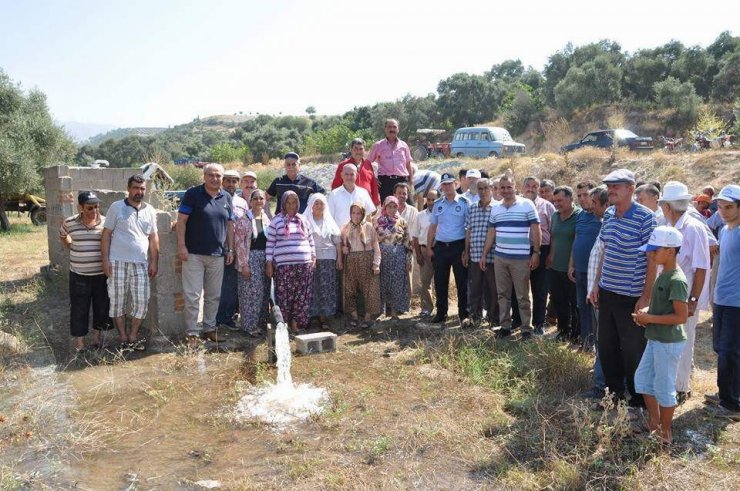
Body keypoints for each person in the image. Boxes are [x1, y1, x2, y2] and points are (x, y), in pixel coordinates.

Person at [588, 169, 656, 408]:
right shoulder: (608, 215)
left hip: (631, 297)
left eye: (617, 185)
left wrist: (645, 296)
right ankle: (614, 396)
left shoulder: (646, 217)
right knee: (607, 348)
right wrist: (596, 284)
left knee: (632, 350)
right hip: (607, 292)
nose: (611, 190)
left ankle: (638, 401)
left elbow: (652, 260)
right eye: (609, 186)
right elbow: (605, 251)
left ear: (631, 188)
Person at [632, 226, 689, 444]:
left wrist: (651, 319)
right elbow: (662, 307)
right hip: (656, 337)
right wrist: (647, 313)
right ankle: (654, 424)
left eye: (655, 250)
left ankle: (665, 433)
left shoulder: (676, 279)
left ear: (671, 251)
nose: (651, 254)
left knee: (664, 388)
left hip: (668, 341)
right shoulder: (663, 273)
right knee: (643, 380)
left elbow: (681, 317)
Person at [659, 181, 710, 404]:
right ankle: (671, 383)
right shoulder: (669, 225)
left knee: (683, 341)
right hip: (668, 292)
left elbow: (701, 267)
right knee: (669, 341)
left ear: (668, 206)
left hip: (686, 294)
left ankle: (681, 387)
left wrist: (693, 300)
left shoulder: (693, 227)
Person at [177, 163, 235, 347]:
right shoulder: (192, 194)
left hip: (217, 255)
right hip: (193, 254)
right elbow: (181, 222)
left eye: (218, 176)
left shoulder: (226, 197)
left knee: (213, 295)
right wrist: (181, 246)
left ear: (222, 178)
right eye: (211, 175)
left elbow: (230, 226)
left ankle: (209, 328)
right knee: (193, 296)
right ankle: (192, 333)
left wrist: (230, 249)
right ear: (204, 176)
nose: (214, 178)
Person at [101, 174, 159, 350]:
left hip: (141, 264)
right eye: (135, 188)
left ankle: (133, 336)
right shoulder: (116, 207)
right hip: (117, 262)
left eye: (142, 188)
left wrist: (154, 261)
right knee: (117, 301)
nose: (139, 192)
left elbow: (154, 237)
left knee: (142, 301)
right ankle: (123, 336)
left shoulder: (150, 210)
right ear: (128, 188)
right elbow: (106, 235)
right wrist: (105, 261)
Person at [481, 174, 541, 339]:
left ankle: (526, 329)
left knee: (522, 295)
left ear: (515, 187)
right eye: (503, 187)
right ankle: (505, 326)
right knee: (503, 295)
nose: (506, 190)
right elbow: (491, 232)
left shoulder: (526, 204)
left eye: (509, 187)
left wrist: (536, 252)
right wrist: (484, 254)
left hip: (521, 259)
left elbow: (536, 229)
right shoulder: (496, 208)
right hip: (500, 258)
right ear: (499, 189)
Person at [59, 191, 112, 351]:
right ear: (80, 207)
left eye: (96, 207)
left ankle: (96, 338)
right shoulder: (69, 222)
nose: (94, 211)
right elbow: (63, 235)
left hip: (101, 275)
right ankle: (80, 344)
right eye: (89, 208)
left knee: (101, 307)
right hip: (78, 275)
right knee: (79, 308)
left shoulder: (106, 223)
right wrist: (71, 245)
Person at [704, 184, 740, 419]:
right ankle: (725, 392)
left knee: (730, 351)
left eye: (729, 207)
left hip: (737, 303)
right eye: (720, 206)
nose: (723, 211)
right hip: (722, 299)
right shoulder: (725, 231)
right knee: (720, 348)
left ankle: (732, 404)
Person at [265, 191, 316, 334]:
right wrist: (269, 263)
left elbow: (310, 240)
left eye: (294, 202)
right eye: (288, 202)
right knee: (284, 295)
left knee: (302, 295)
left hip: (304, 264)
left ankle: (295, 324)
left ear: (298, 204)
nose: (291, 205)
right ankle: (284, 324)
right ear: (283, 203)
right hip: (284, 266)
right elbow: (270, 243)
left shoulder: (303, 220)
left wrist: (313, 257)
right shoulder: (276, 221)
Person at [425, 173, 471, 324]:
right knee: (440, 281)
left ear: (456, 184)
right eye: (443, 184)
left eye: (449, 183)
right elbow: (432, 227)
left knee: (461, 282)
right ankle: (441, 313)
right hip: (441, 248)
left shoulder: (465, 202)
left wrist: (466, 250)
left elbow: (468, 229)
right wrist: (429, 247)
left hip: (458, 247)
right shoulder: (438, 204)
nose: (446, 187)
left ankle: (463, 314)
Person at [569, 181, 601, 350]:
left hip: (595, 273)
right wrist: (571, 264)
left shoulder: (603, 216)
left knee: (596, 310)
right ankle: (586, 342)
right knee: (582, 307)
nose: (582, 199)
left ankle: (597, 345)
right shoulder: (580, 215)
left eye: (586, 195)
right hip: (579, 270)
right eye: (579, 195)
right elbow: (576, 240)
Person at [234, 189, 271, 337]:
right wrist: (244, 264)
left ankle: (261, 323)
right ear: (250, 201)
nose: (258, 201)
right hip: (250, 259)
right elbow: (239, 244)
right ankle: (249, 326)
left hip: (265, 259)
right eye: (255, 199)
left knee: (264, 293)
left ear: (265, 201)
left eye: (261, 198)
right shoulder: (244, 220)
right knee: (250, 294)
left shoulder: (267, 219)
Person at [547, 186, 582, 342]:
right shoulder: (555, 216)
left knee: (574, 303)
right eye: (555, 201)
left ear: (570, 198)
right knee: (559, 301)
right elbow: (553, 238)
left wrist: (571, 265)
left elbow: (577, 241)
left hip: (572, 269)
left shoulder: (579, 216)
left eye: (560, 200)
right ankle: (563, 331)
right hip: (555, 267)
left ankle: (576, 334)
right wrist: (550, 257)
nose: (557, 204)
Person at [216, 169, 249, 330]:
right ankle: (218, 318)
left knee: (232, 285)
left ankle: (228, 317)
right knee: (220, 285)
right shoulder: (217, 199)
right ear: (222, 182)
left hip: (239, 248)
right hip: (222, 247)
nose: (230, 184)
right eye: (227, 180)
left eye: (234, 181)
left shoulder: (242, 202)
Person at [463, 178, 498, 327]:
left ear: (491, 189)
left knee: (493, 289)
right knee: (475, 288)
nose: (483, 192)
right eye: (480, 189)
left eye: (486, 188)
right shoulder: (472, 208)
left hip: (493, 256)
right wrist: (466, 252)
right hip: (475, 255)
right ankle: (475, 317)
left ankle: (493, 318)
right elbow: (468, 231)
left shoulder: (498, 207)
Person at [522, 176, 556, 333]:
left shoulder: (547, 206)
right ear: (522, 188)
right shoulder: (517, 204)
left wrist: (550, 254)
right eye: (527, 186)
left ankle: (538, 323)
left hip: (542, 250)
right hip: (520, 250)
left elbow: (553, 232)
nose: (530, 188)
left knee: (540, 288)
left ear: (537, 188)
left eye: (534, 186)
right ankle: (520, 320)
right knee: (520, 288)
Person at [341, 202, 381, 329]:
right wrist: (344, 249)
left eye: (358, 213)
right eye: (353, 213)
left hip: (367, 259)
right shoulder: (346, 227)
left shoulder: (368, 226)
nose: (356, 216)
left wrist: (376, 264)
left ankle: (368, 317)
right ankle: (354, 316)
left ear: (363, 214)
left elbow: (376, 247)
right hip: (351, 260)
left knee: (370, 289)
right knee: (349, 288)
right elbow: (343, 245)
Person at [305, 193, 342, 329]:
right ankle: (312, 316)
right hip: (311, 259)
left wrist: (339, 259)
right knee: (312, 287)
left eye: (322, 204)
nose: (319, 206)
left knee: (326, 288)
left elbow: (337, 241)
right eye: (316, 203)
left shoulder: (329, 221)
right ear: (311, 206)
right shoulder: (306, 221)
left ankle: (324, 317)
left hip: (328, 259)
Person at [374, 196, 412, 319]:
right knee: (382, 283)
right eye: (389, 206)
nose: (392, 209)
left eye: (395, 206)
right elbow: (374, 242)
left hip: (399, 255)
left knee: (397, 282)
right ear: (385, 207)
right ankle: (382, 312)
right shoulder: (379, 221)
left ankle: (395, 312)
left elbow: (408, 242)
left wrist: (408, 260)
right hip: (383, 255)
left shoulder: (402, 222)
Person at [367, 119, 414, 202]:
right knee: (387, 208)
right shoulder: (378, 145)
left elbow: (408, 164)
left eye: (394, 127)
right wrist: (373, 178)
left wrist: (411, 182)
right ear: (385, 129)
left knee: (409, 207)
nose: (392, 129)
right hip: (385, 182)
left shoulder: (404, 145)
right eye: (389, 127)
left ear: (398, 129)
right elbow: (367, 163)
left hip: (402, 181)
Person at [331, 138, 380, 206]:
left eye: (361, 149)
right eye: (355, 149)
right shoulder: (343, 166)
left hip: (366, 203)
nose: (358, 151)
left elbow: (373, 184)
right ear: (351, 150)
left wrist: (375, 202)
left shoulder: (368, 164)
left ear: (364, 150)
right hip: (348, 204)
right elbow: (336, 186)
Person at [411, 190, 437, 317]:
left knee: (439, 281)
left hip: (439, 251)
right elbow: (415, 237)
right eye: (429, 199)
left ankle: (441, 308)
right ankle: (427, 308)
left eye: (434, 199)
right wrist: (418, 255)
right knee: (425, 282)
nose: (431, 202)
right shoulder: (420, 215)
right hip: (423, 250)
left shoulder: (443, 214)